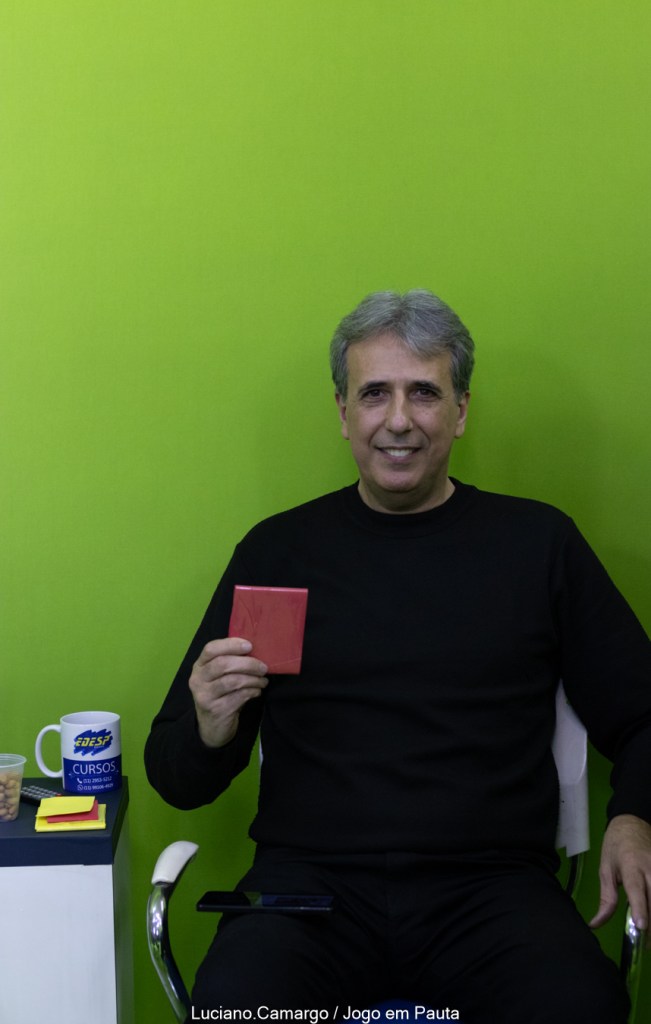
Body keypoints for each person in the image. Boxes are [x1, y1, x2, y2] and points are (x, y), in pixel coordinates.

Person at [145, 290, 651, 1024]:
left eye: (424, 393)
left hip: (491, 892)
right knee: (233, 1011)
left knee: (580, 1008)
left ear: (461, 410)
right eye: (374, 393)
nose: (399, 420)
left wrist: (634, 816)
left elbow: (642, 714)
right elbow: (175, 778)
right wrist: (209, 727)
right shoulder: (280, 553)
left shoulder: (537, 546)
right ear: (343, 411)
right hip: (308, 894)